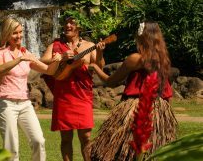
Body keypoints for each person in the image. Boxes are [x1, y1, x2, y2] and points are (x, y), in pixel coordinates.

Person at [87, 21, 178, 161]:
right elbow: (167, 90)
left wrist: (95, 67)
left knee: (117, 153)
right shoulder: (162, 59)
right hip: (160, 109)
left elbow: (111, 81)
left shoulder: (136, 58)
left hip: (138, 109)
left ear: (142, 37)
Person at [0, 17, 61, 161]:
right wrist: (19, 59)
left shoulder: (26, 52)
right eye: (15, 33)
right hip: (5, 103)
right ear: (6, 34)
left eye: (20, 32)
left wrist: (57, 60)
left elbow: (49, 71)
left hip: (24, 103)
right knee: (12, 148)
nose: (19, 36)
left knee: (38, 141)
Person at [40, 15, 105, 161]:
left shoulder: (89, 46)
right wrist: (60, 57)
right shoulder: (56, 44)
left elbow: (99, 66)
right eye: (66, 23)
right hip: (63, 95)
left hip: (82, 95)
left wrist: (100, 52)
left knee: (86, 137)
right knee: (66, 138)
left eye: (72, 23)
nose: (68, 26)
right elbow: (42, 61)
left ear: (79, 27)